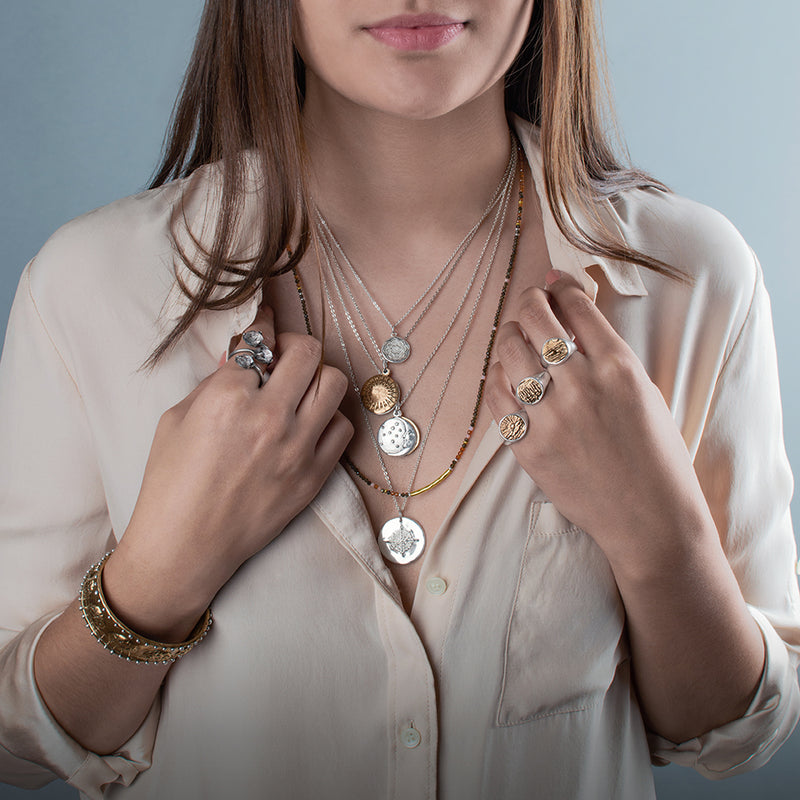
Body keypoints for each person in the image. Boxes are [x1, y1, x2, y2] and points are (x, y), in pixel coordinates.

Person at [1, 1, 798, 798]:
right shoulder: (92, 288)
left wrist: (663, 537)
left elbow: (734, 731)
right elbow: (15, 746)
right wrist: (157, 578)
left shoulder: (689, 281)